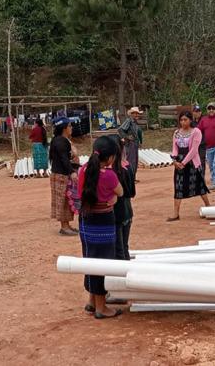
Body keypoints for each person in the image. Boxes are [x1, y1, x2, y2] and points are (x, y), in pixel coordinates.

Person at [78, 136, 123, 319]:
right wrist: (114, 198)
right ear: (111, 158)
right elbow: (120, 191)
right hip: (103, 221)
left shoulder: (84, 170)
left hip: (86, 220)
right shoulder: (109, 175)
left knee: (89, 259)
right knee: (102, 263)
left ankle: (91, 301)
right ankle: (101, 308)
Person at [167, 111, 211, 222]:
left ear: (190, 120)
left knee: (200, 185)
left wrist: (183, 162)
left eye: (185, 120)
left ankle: (209, 207)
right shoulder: (176, 132)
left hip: (192, 163)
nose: (183, 122)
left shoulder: (196, 132)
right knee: (178, 186)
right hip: (179, 163)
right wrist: (174, 160)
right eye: (181, 120)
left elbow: (194, 150)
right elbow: (175, 148)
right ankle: (176, 213)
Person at [49, 118, 78, 236]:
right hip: (62, 175)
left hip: (59, 173)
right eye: (70, 126)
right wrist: (71, 171)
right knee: (64, 200)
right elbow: (64, 159)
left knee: (66, 200)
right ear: (64, 128)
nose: (71, 128)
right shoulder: (61, 141)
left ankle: (66, 224)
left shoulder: (58, 140)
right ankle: (64, 227)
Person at [112, 137, 136, 260]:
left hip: (116, 214)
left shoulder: (110, 171)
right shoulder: (128, 167)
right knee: (124, 247)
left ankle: (121, 277)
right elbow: (132, 192)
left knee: (118, 250)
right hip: (127, 211)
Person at [117, 107, 142, 178]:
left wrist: (139, 142)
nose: (137, 115)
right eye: (136, 113)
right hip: (130, 144)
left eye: (138, 113)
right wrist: (127, 137)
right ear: (132, 114)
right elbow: (120, 130)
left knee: (135, 160)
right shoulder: (129, 121)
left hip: (134, 143)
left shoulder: (134, 122)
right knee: (131, 160)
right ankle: (129, 177)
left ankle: (132, 177)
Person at [190, 104, 207, 176]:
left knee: (201, 161)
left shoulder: (204, 120)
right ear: (193, 112)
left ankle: (201, 177)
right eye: (195, 111)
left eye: (198, 111)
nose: (197, 113)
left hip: (202, 145)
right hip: (193, 145)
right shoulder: (191, 122)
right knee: (193, 161)